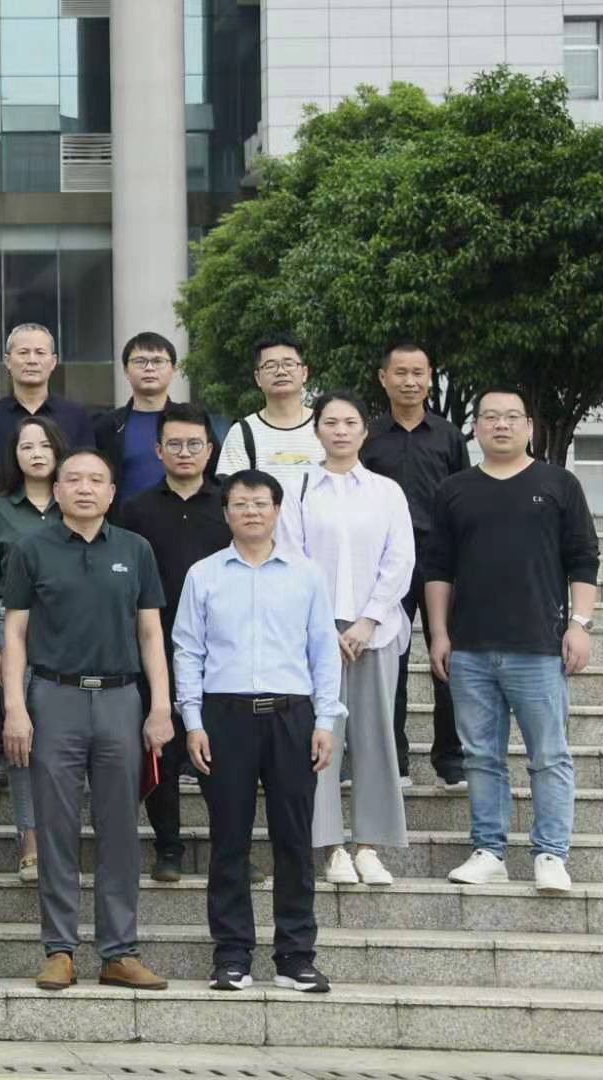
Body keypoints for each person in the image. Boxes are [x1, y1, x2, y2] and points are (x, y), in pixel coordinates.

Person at [0, 448, 173, 993]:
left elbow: (150, 632)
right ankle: (60, 949)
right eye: (72, 479)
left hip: (121, 698)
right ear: (56, 490)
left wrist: (161, 704)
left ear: (112, 492)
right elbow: (15, 634)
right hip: (55, 696)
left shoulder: (135, 549)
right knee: (55, 827)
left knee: (120, 827)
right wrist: (15, 706)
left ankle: (119, 951)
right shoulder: (31, 549)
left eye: (96, 480)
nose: (84, 488)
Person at [173, 469, 343, 994]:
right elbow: (188, 650)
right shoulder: (203, 574)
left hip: (292, 717)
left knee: (294, 839)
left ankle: (296, 955)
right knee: (229, 840)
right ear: (226, 513)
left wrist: (325, 720)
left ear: (277, 511)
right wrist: (193, 722)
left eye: (261, 503)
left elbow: (324, 649)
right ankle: (231, 955)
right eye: (240, 504)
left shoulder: (306, 575)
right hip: (224, 717)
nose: (251, 511)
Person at [425, 388, 599, 895]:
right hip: (470, 647)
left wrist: (580, 624)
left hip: (539, 646)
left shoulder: (558, 484)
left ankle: (551, 853)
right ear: (476, 427)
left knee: (549, 755)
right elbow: (438, 568)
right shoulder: (454, 490)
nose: (500, 425)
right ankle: (489, 851)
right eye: (490, 417)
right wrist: (439, 632)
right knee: (481, 756)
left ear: (528, 426)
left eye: (511, 417)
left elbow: (583, 558)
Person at [279, 393, 414, 887]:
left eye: (350, 422)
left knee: (376, 736)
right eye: (330, 422)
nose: (340, 430)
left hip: (374, 630)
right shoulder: (297, 488)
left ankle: (369, 846)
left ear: (364, 431)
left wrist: (368, 621)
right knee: (322, 737)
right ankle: (332, 845)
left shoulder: (386, 492)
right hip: (315, 633)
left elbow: (400, 559)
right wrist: (324, 628)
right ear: (316, 430)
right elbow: (290, 557)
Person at [113, 403, 231, 885]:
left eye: (194, 444)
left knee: (222, 753)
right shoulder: (135, 510)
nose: (185, 452)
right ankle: (168, 847)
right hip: (154, 643)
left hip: (222, 647)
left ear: (210, 449)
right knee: (160, 745)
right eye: (175, 444)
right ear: (158, 450)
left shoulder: (228, 505)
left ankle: (231, 850)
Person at [361, 341, 467, 788]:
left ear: (429, 378)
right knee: (390, 661)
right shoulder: (368, 436)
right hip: (385, 565)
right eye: (400, 372)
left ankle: (451, 759)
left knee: (450, 658)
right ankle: (395, 760)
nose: (409, 381)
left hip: (441, 560)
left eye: (418, 373)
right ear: (383, 378)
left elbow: (464, 497)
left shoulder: (449, 436)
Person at [0, 415, 67, 883]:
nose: (36, 453)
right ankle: (28, 837)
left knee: (65, 741)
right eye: (26, 446)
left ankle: (60, 837)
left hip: (71, 631)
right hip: (14, 631)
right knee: (21, 738)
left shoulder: (77, 501)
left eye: (44, 445)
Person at [0, 323, 94, 510]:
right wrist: (10, 511)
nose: (32, 360)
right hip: (5, 517)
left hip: (64, 515)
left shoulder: (77, 416)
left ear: (53, 362)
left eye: (40, 352)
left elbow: (85, 468)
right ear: (7, 361)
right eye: (23, 352)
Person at [93, 331, 224, 505]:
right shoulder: (108, 425)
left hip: (187, 515)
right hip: (126, 519)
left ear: (173, 369)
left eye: (158, 361)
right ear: (125, 370)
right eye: (140, 361)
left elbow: (216, 473)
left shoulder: (193, 420)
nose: (149, 368)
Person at [215, 333, 323, 486]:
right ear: (258, 378)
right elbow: (231, 491)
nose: (281, 372)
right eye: (270, 366)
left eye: (289, 364)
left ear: (304, 373)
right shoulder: (243, 432)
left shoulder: (326, 425)